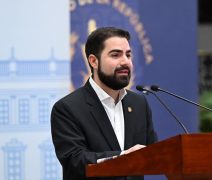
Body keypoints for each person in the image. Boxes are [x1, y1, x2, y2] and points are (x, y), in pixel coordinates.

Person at [51, 27, 158, 180]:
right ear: (93, 61)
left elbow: (156, 154)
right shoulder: (67, 108)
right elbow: (75, 161)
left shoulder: (139, 103)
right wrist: (123, 157)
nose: (125, 62)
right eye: (115, 55)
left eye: (128, 55)